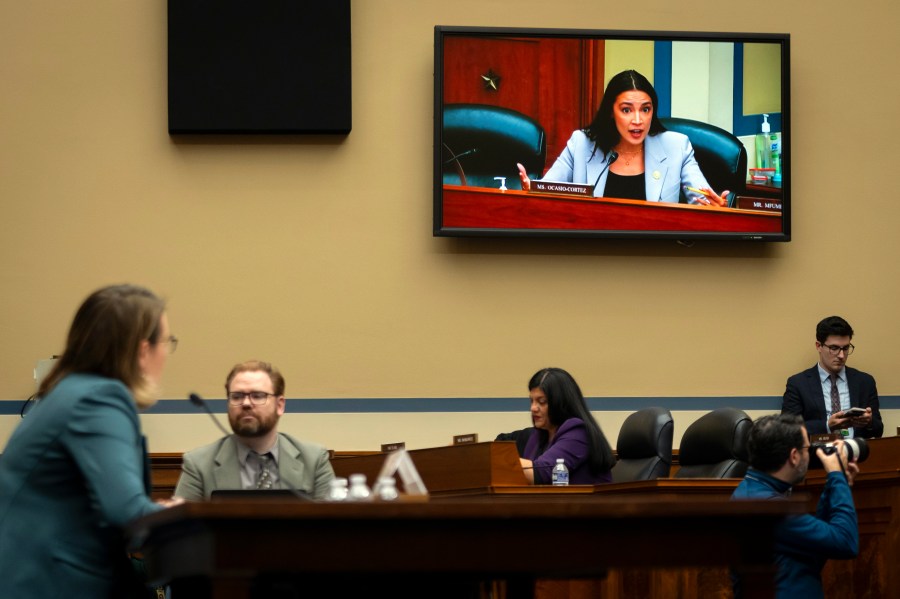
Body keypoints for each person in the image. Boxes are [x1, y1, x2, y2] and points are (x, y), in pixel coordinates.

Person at [0, 284, 183, 599]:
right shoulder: (100, 398)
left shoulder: (70, 392)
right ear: (142, 350)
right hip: (51, 584)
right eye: (167, 341)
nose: (167, 352)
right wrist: (183, 518)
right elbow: (128, 513)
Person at [517, 69, 729, 206]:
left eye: (645, 109)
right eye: (627, 110)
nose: (638, 120)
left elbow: (701, 198)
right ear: (611, 111)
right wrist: (532, 190)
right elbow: (547, 190)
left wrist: (713, 206)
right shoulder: (581, 144)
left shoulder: (677, 146)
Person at [731, 413, 859, 598]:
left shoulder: (750, 491)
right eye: (807, 448)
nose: (811, 453)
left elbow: (816, 544)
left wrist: (837, 484)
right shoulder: (772, 508)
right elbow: (845, 542)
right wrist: (836, 475)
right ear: (794, 456)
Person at [174, 360, 335, 500]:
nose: (246, 403)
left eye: (257, 396)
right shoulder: (198, 464)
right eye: (237, 396)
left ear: (280, 405)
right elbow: (179, 530)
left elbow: (331, 527)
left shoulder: (314, 460)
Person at [782, 315, 883, 439]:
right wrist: (827, 426)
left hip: (855, 453)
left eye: (845, 348)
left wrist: (869, 422)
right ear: (819, 346)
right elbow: (787, 431)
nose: (841, 355)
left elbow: (879, 430)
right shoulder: (798, 384)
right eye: (834, 348)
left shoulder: (865, 382)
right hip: (817, 454)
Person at [518, 367, 615, 484]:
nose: (533, 408)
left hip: (586, 502)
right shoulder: (540, 434)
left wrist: (498, 462)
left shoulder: (578, 432)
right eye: (531, 401)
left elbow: (542, 473)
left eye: (541, 401)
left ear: (560, 403)